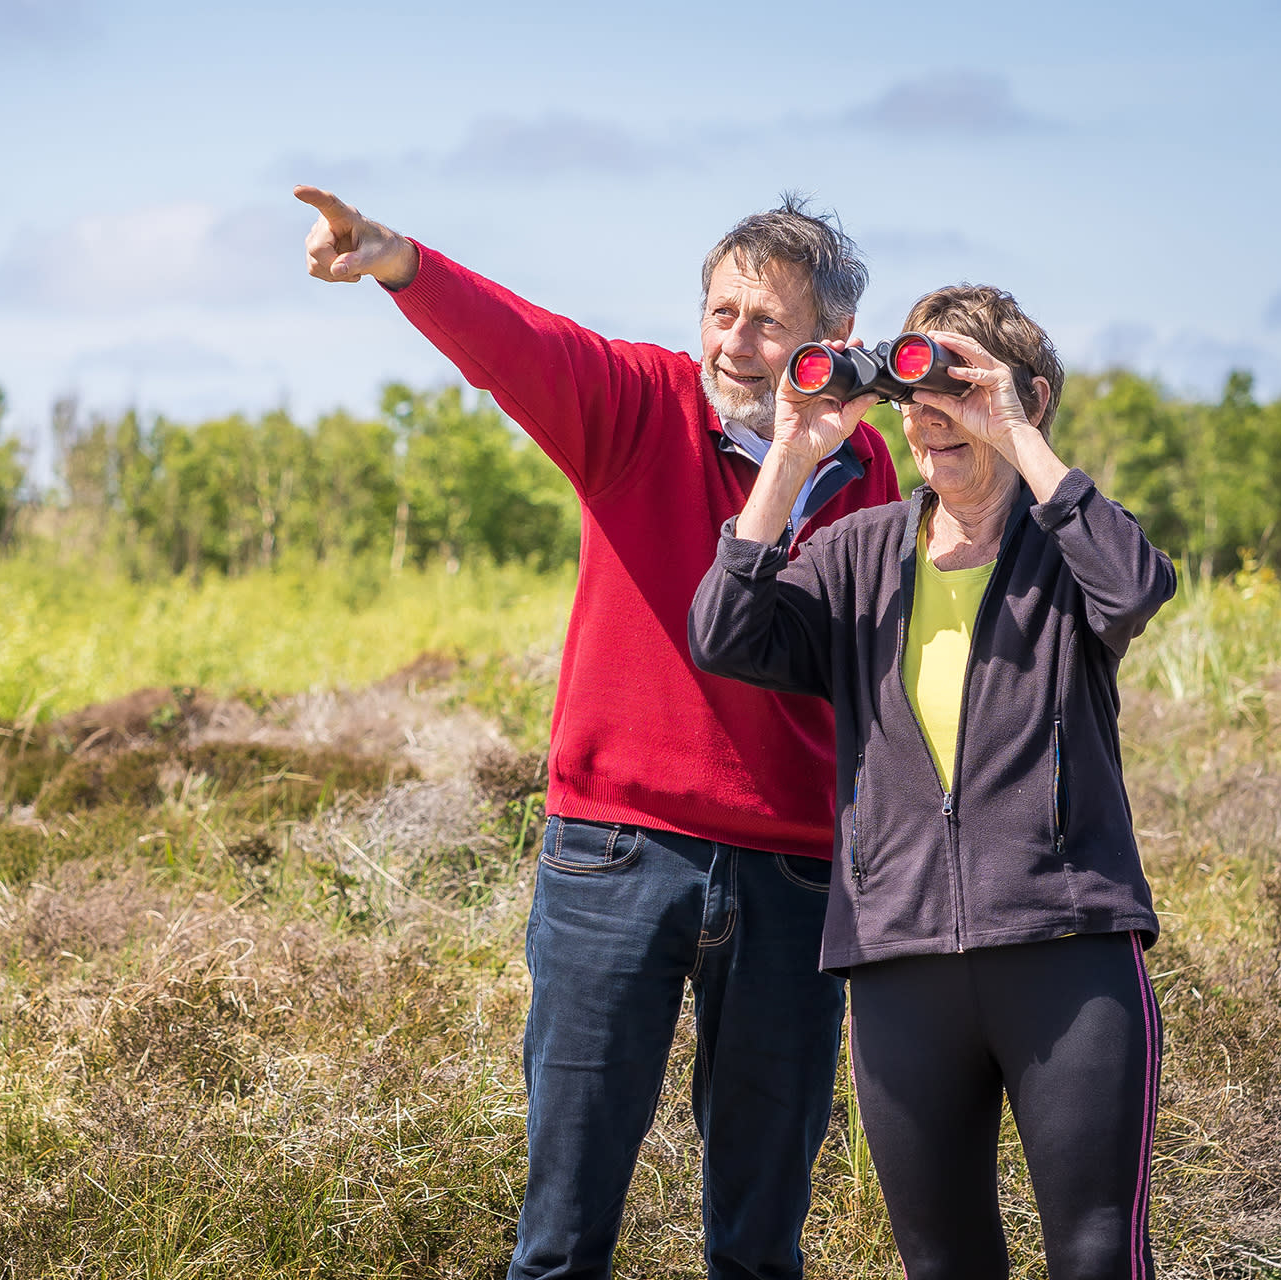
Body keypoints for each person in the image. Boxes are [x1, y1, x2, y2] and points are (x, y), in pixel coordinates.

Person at [295, 184, 901, 1280]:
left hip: (797, 872)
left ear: (834, 343)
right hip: (614, 851)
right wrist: (401, 263)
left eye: (768, 322)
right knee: (563, 1234)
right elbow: (522, 345)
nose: (736, 341)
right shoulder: (637, 406)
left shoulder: (869, 475)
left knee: (762, 1244)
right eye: (721, 311)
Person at [688, 285, 1174, 1279]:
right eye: (912, 392)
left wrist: (1021, 440)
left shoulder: (1066, 548)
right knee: (943, 1265)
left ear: (1022, 396)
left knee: (1096, 1256)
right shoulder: (859, 552)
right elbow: (724, 632)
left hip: (1065, 944)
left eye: (953, 385)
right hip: (899, 951)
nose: (926, 416)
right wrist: (791, 449)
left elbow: (1135, 586)